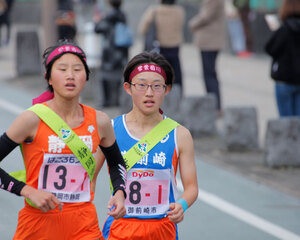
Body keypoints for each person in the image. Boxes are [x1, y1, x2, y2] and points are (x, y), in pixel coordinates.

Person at [0, 40, 127, 239]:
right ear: (48, 78)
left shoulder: (100, 121)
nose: (70, 75)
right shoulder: (31, 119)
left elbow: (117, 163)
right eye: (62, 69)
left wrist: (120, 191)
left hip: (84, 225)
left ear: (86, 77)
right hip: (38, 224)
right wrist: (26, 191)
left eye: (77, 69)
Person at [102, 51, 199, 239]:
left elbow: (192, 187)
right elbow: (88, 176)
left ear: (167, 89)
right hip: (119, 228)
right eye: (142, 85)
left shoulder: (180, 134)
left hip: (162, 228)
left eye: (156, 86)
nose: (149, 93)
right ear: (128, 88)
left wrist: (182, 205)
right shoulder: (110, 129)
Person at [138, 0, 185, 96]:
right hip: (175, 47)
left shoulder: (154, 10)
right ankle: (178, 97)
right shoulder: (180, 11)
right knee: (176, 74)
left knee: (159, 75)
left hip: (159, 47)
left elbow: (142, 29)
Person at [188, 0, 226, 113]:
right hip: (211, 41)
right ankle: (214, 105)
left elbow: (206, 16)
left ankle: (214, 106)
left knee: (209, 74)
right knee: (210, 73)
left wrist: (192, 23)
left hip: (210, 41)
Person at [265, 0, 300, 117]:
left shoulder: (284, 29)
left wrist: (275, 31)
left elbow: (270, 49)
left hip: (284, 79)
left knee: (285, 121)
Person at [94, 0, 129, 107]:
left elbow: (98, 29)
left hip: (109, 51)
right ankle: (117, 100)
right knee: (118, 75)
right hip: (121, 50)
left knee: (105, 76)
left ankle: (107, 100)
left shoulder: (108, 16)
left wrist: (98, 20)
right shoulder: (123, 15)